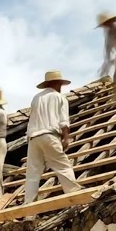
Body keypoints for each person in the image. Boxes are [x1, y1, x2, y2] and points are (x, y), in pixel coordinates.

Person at [24, 71, 82, 205]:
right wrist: (66, 138)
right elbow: (63, 121)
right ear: (57, 83)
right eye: (60, 84)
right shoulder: (59, 98)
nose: (61, 87)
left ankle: (28, 206)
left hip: (33, 138)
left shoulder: (37, 98)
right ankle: (74, 193)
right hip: (49, 135)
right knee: (62, 165)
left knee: (33, 174)